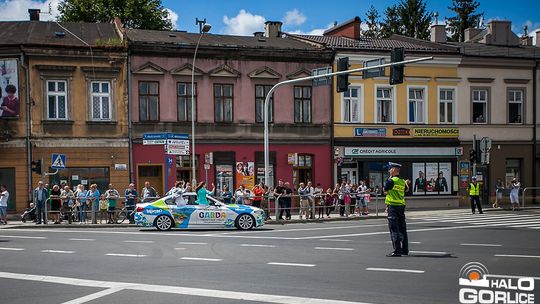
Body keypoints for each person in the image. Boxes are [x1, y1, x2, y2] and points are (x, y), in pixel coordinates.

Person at [384, 162, 411, 257]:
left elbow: (385, 190)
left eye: (390, 169)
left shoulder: (390, 181)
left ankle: (397, 250)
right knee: (402, 228)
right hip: (401, 206)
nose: (388, 170)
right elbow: (406, 190)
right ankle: (405, 250)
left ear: (394, 170)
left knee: (394, 229)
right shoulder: (402, 181)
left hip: (393, 207)